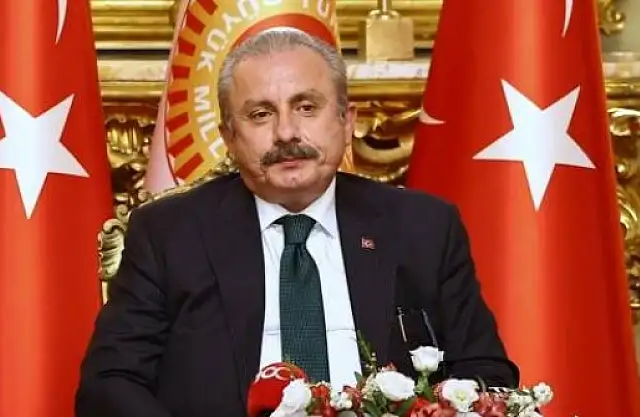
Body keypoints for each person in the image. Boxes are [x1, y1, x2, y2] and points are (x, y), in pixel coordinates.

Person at [75, 29, 519, 417]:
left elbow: (487, 373)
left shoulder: (422, 227)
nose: (286, 133)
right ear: (229, 136)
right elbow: (110, 384)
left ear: (347, 121)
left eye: (307, 107)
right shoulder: (169, 233)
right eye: (260, 114)